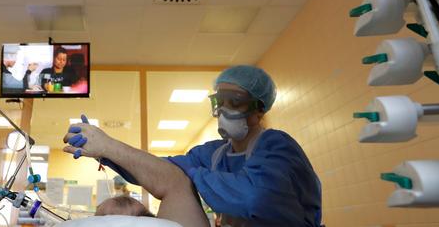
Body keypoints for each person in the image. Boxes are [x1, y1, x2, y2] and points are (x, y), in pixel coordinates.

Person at [62, 66, 322, 227]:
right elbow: (163, 171)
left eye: (236, 101)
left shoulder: (277, 146)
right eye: (219, 101)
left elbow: (253, 200)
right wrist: (105, 148)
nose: (224, 109)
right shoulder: (214, 153)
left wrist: (193, 174)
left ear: (259, 108)